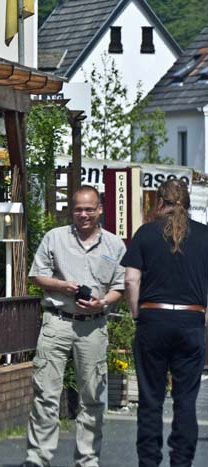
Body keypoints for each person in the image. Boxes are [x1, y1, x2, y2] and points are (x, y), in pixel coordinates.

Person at [22, 185, 126, 467]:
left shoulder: (115, 246)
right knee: (45, 393)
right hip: (56, 322)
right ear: (72, 210)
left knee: (92, 395)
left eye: (89, 209)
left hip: (92, 325)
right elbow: (36, 275)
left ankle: (87, 459)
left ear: (100, 209)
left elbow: (120, 287)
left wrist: (102, 302)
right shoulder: (55, 238)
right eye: (78, 209)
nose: (83, 214)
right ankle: (37, 458)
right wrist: (63, 286)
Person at [121, 179, 208, 467]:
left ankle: (149, 462)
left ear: (160, 202)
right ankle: (181, 462)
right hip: (191, 318)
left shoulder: (145, 234)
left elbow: (131, 279)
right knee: (185, 401)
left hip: (153, 318)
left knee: (150, 398)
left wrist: (137, 314)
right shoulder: (205, 236)